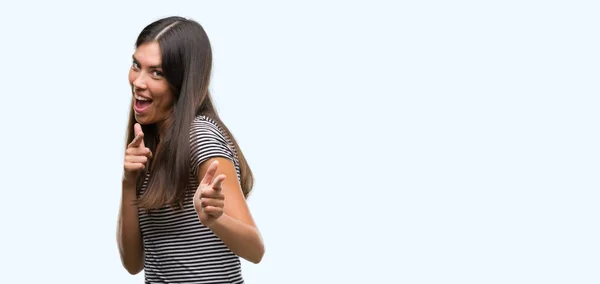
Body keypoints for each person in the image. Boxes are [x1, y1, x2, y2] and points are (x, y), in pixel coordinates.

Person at [116, 16, 265, 283]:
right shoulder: (149, 141)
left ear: (182, 82)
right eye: (136, 65)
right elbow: (133, 263)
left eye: (156, 72)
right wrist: (129, 182)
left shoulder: (200, 137)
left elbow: (255, 249)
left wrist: (214, 220)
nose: (138, 81)